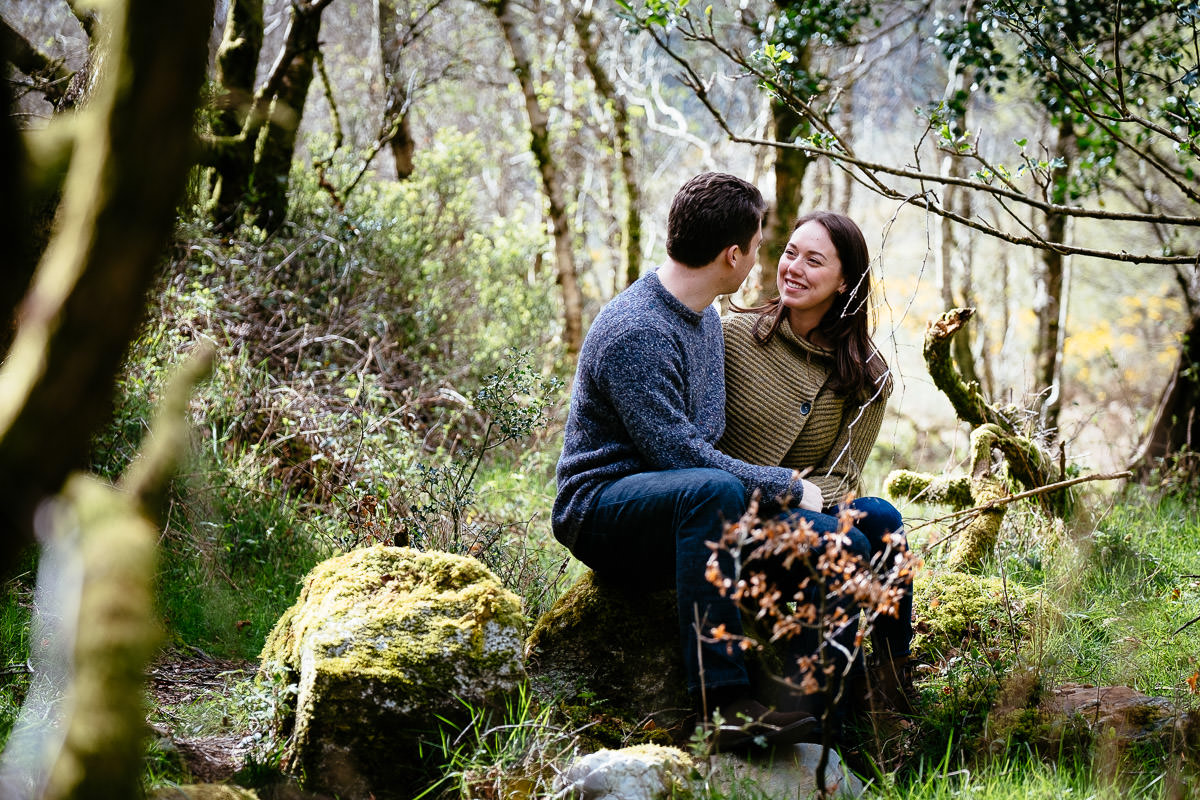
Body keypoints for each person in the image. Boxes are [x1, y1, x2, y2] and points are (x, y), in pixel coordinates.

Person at [552, 173, 866, 751]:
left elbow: (701, 455)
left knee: (835, 539)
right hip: (601, 510)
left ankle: (814, 707)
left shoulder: (704, 322)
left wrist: (800, 511)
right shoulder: (637, 329)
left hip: (679, 507)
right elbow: (677, 454)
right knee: (712, 490)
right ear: (733, 255)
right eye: (759, 246)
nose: (762, 259)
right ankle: (720, 706)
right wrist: (788, 488)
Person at [718, 210, 915, 716]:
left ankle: (892, 685)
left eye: (814, 260)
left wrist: (800, 494)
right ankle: (807, 697)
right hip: (730, 511)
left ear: (845, 280)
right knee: (845, 542)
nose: (794, 268)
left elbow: (844, 475)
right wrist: (785, 488)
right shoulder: (735, 335)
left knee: (887, 523)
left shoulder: (868, 375)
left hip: (800, 510)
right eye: (789, 253)